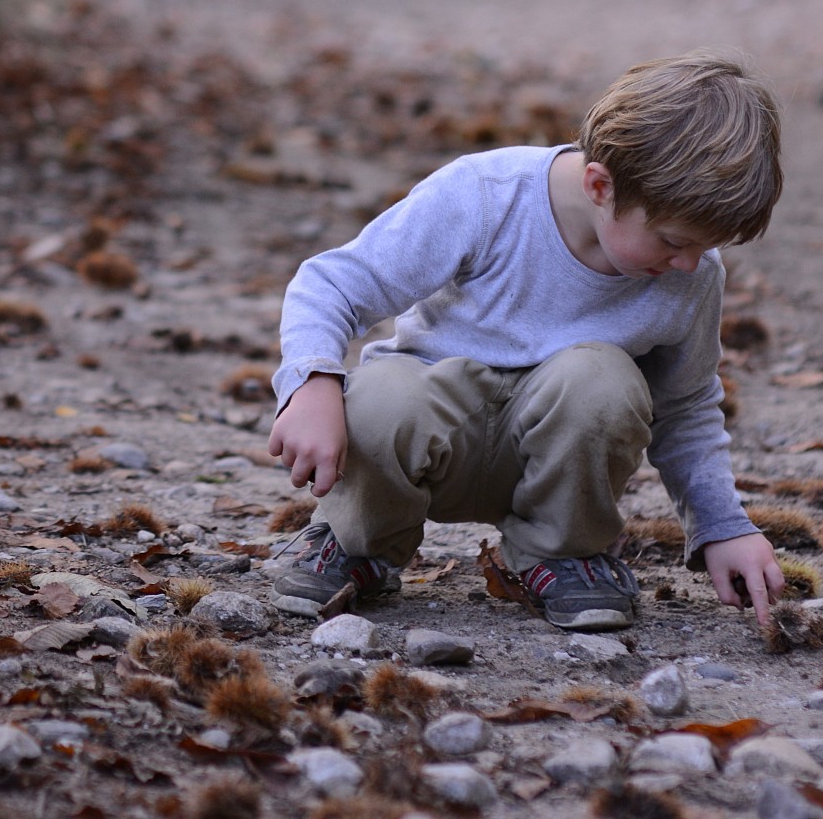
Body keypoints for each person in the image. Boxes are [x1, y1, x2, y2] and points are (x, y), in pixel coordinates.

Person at [262, 51, 785, 633]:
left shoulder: (692, 274)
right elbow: (333, 284)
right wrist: (311, 381)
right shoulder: (487, 195)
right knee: (379, 396)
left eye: (707, 247)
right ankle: (357, 544)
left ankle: (559, 554)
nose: (689, 264)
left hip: (559, 454)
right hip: (434, 433)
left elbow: (686, 407)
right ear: (600, 185)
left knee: (603, 381)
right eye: (673, 241)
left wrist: (722, 526)